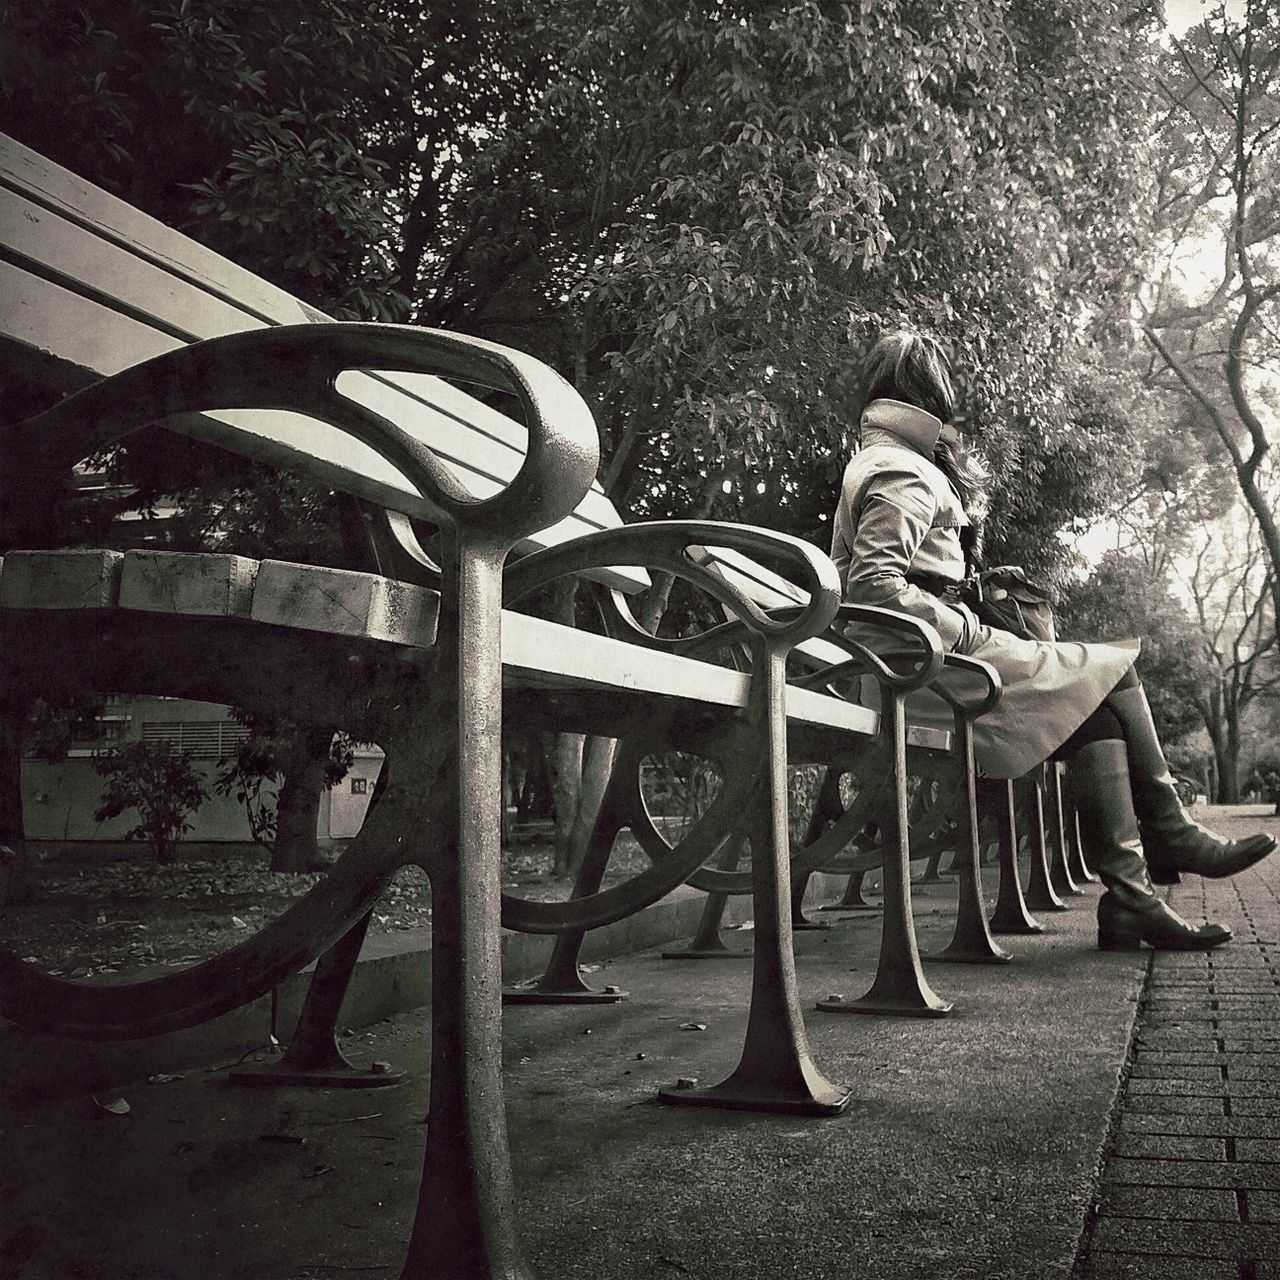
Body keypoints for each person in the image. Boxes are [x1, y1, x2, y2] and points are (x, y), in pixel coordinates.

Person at [829, 331, 1276, 951]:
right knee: (1113, 669)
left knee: (1098, 710)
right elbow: (873, 587)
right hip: (920, 668)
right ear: (930, 395)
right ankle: (1164, 841)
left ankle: (1133, 896)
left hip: (914, 661)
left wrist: (972, 595)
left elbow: (895, 578)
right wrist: (969, 625)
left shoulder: (885, 459)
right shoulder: (903, 468)